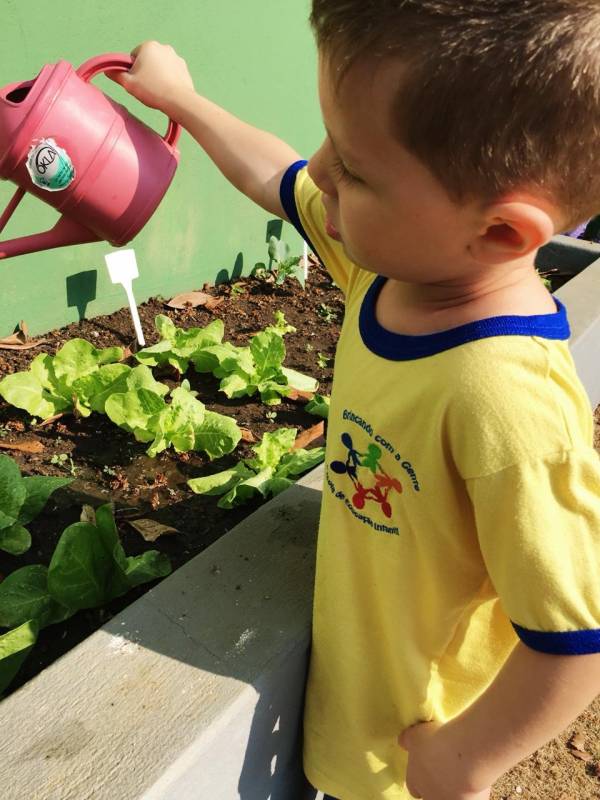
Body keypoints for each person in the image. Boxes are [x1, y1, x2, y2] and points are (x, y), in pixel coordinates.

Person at [112, 2, 600, 797]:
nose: (321, 169)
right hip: (350, 703)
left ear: (503, 234)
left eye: (358, 168)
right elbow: (273, 175)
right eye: (333, 139)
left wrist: (467, 757)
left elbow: (576, 638)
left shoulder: (508, 403)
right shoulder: (393, 267)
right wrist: (181, 100)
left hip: (405, 747)